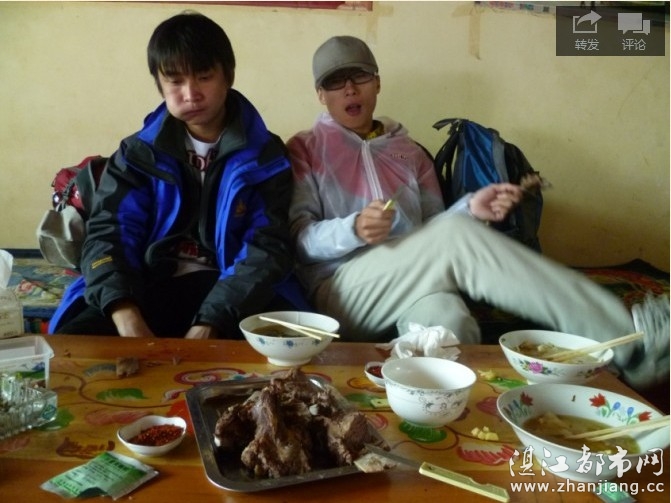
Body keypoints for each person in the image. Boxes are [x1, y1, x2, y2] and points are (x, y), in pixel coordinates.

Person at [287, 35, 669, 391]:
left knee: (450, 326)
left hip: (412, 280)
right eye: (335, 82)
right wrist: (353, 228)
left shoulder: (410, 152)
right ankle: (629, 342)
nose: (349, 89)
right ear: (321, 94)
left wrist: (471, 209)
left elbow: (432, 234)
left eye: (359, 76)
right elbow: (299, 239)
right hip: (343, 291)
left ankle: (441, 418)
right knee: (453, 240)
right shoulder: (306, 149)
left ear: (377, 83)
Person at [50, 12, 308, 339]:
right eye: (175, 81)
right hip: (147, 285)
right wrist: (125, 313)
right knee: (70, 351)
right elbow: (109, 233)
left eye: (204, 76)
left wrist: (210, 322)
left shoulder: (265, 155)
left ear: (228, 76)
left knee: (289, 352)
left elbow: (265, 248)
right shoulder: (136, 154)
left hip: (234, 291)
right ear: (160, 85)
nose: (190, 93)